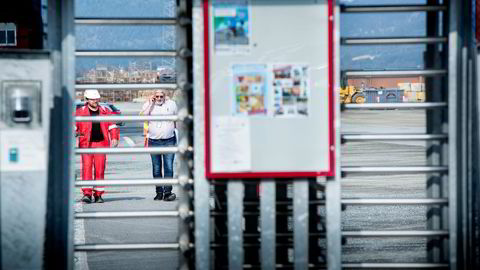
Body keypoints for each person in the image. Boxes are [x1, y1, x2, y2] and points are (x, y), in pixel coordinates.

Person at [75, 89, 119, 203]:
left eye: (96, 98)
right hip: (86, 144)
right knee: (87, 169)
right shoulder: (80, 112)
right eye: (92, 99)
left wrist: (114, 137)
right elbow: (73, 126)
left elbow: (112, 125)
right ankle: (87, 194)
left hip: (101, 143)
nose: (95, 100)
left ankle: (98, 195)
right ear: (87, 100)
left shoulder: (105, 111)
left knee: (100, 169)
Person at [140, 90, 177, 201]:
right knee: (156, 169)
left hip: (169, 141)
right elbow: (143, 117)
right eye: (157, 96)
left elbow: (177, 120)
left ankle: (168, 192)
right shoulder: (148, 104)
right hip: (154, 141)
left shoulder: (171, 104)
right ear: (153, 96)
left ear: (165, 96)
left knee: (169, 168)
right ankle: (159, 192)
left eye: (161, 96)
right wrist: (151, 104)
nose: (159, 98)